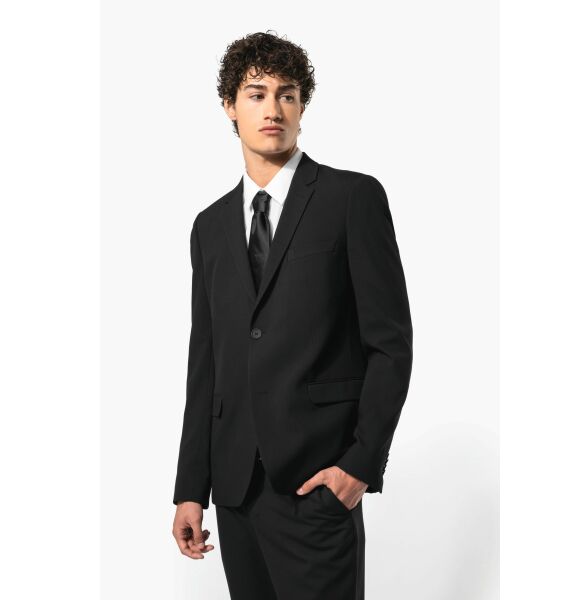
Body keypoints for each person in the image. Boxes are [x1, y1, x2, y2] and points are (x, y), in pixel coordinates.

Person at [172, 30, 413, 600]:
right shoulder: (209, 227)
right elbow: (206, 364)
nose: (273, 109)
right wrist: (191, 487)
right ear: (229, 106)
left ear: (303, 105)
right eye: (256, 94)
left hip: (317, 485)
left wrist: (359, 465)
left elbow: (390, 344)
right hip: (235, 492)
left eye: (287, 94)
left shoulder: (351, 199)